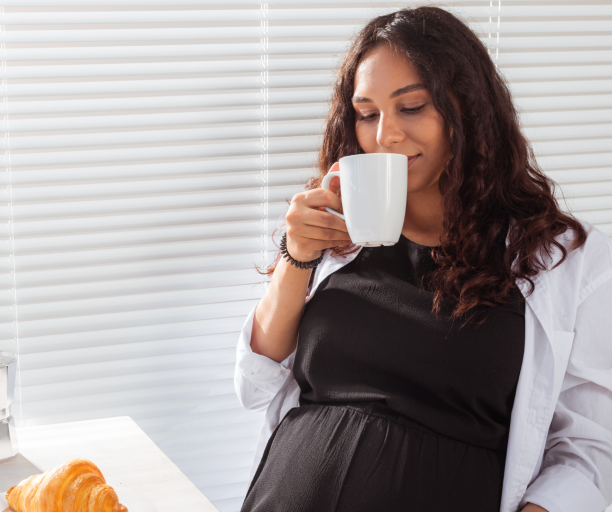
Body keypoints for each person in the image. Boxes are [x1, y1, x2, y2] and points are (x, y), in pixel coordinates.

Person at [234, 6, 612, 512]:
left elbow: (590, 447)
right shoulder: (333, 231)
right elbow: (255, 384)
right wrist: (296, 257)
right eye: (367, 113)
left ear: (470, 110)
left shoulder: (563, 261)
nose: (385, 135)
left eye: (411, 106)